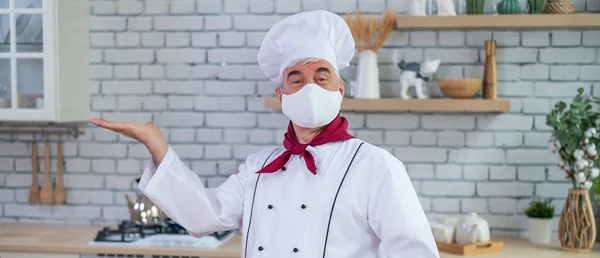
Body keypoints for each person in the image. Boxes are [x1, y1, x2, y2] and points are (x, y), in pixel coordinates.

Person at [90, 10, 438, 258]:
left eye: (321, 76)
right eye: (296, 79)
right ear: (281, 95)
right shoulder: (260, 166)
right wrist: (158, 145)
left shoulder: (376, 166)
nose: (310, 87)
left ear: (340, 89)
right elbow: (203, 216)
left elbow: (413, 252)